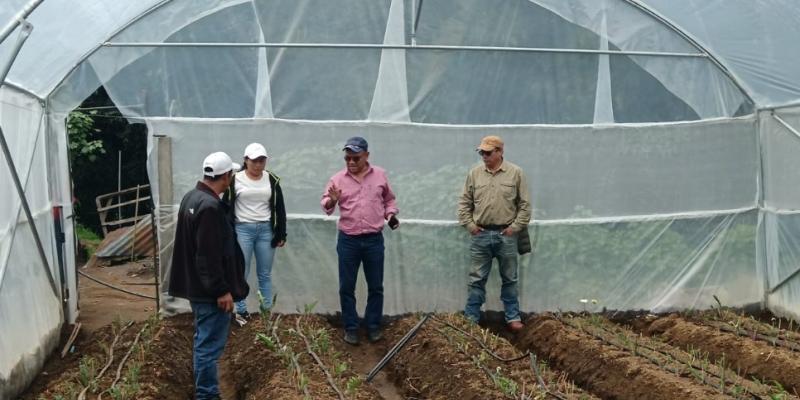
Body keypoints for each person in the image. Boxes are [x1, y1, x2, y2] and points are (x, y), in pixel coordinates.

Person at [169, 151, 249, 400]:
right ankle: (207, 395)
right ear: (225, 176)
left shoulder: (191, 198)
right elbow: (208, 255)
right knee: (209, 346)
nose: (232, 179)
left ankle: (206, 392)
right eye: (231, 175)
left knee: (203, 340)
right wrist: (221, 290)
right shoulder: (211, 207)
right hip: (209, 292)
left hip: (197, 287)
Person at [321, 136, 399, 345]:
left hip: (374, 239)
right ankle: (351, 327)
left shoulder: (380, 175)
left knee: (376, 286)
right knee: (347, 286)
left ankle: (373, 326)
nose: (351, 162)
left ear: (366, 156)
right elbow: (326, 206)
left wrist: (390, 215)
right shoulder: (337, 179)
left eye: (356, 158)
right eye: (347, 158)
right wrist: (333, 200)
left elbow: (389, 200)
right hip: (349, 240)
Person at [457, 135, 531, 332]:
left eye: (488, 152)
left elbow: (525, 206)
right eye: (482, 152)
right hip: (480, 234)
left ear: (500, 152)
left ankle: (512, 317)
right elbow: (464, 203)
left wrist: (514, 228)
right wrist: (470, 226)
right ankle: (471, 317)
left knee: (510, 278)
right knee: (476, 279)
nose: (484, 156)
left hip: (506, 234)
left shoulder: (516, 173)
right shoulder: (474, 174)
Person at [223, 142, 287, 325]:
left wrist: (281, 233)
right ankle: (241, 311)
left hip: (266, 229)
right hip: (242, 229)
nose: (258, 165)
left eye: (262, 161)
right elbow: (226, 205)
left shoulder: (272, 180)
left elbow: (279, 207)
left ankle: (266, 311)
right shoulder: (235, 180)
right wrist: (227, 232)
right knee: (241, 271)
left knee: (265, 273)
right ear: (246, 160)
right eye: (254, 161)